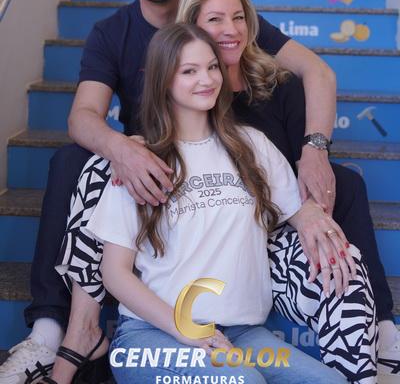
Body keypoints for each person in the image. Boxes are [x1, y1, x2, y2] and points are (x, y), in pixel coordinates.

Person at [0, 0, 396, 383]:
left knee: (342, 183)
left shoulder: (226, 25)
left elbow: (318, 72)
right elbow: (82, 120)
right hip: (156, 198)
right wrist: (123, 150)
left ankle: (381, 328)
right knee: (76, 161)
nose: (227, 31)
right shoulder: (116, 36)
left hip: (240, 227)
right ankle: (66, 328)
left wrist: (314, 151)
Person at [51, 23, 374, 384]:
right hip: (151, 335)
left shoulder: (252, 145)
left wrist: (318, 222)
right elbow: (114, 272)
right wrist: (187, 330)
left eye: (212, 67)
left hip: (243, 335)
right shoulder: (141, 161)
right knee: (243, 381)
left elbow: (298, 211)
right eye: (189, 71)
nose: (206, 79)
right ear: (164, 81)